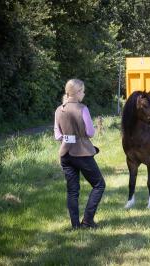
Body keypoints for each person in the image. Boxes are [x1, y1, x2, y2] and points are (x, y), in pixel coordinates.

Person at [54, 79, 105, 229]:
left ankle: (75, 225)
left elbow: (57, 135)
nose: (84, 93)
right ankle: (88, 221)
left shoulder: (59, 109)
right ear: (77, 93)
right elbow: (90, 133)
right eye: (82, 91)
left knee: (72, 190)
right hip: (82, 153)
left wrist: (68, 137)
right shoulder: (83, 108)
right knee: (99, 184)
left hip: (65, 153)